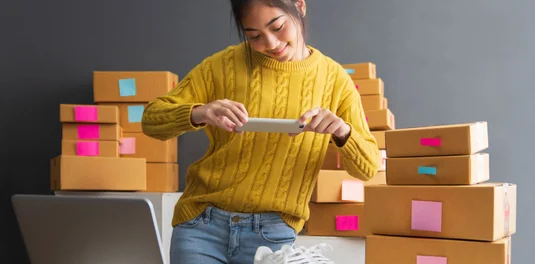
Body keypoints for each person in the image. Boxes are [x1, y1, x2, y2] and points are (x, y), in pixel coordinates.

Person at [141, 0, 380, 263]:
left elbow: (368, 167)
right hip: (201, 226)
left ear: (299, 6)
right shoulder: (221, 65)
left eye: (277, 27)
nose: (270, 43)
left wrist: (342, 131)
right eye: (253, 35)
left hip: (273, 234)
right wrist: (199, 112)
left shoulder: (336, 81)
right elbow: (151, 120)